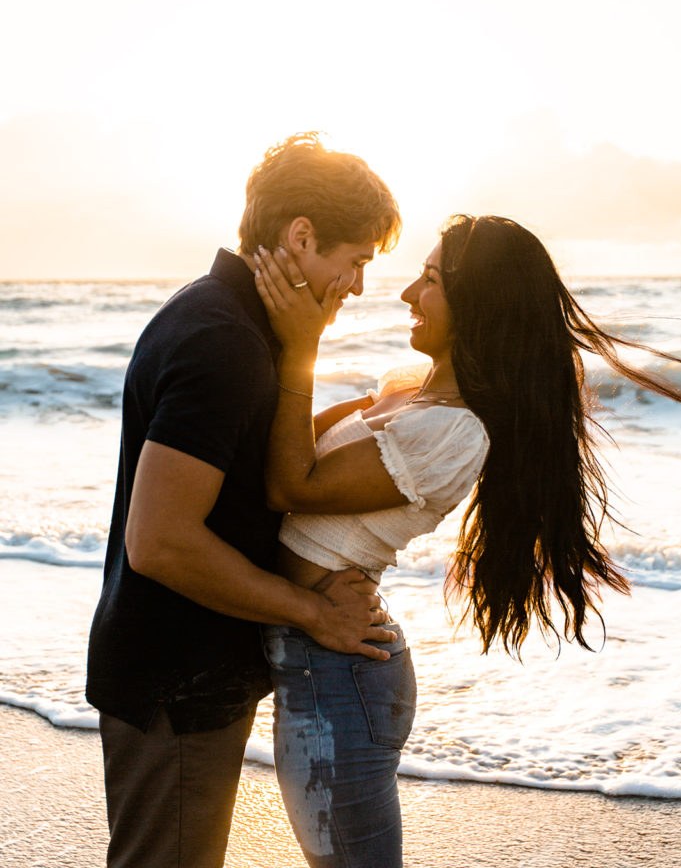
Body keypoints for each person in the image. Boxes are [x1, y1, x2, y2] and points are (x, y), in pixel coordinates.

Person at [253, 213, 681, 868]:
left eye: (428, 280)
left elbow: (290, 485)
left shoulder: (454, 433)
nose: (405, 295)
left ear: (475, 303)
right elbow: (282, 449)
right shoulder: (407, 392)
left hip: (337, 674)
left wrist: (299, 345)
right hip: (319, 653)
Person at [85, 132, 402, 868]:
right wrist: (313, 613)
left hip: (178, 668)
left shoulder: (228, 319)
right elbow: (160, 539)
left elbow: (253, 465)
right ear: (301, 236)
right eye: (354, 260)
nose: (357, 285)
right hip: (177, 679)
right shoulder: (221, 339)